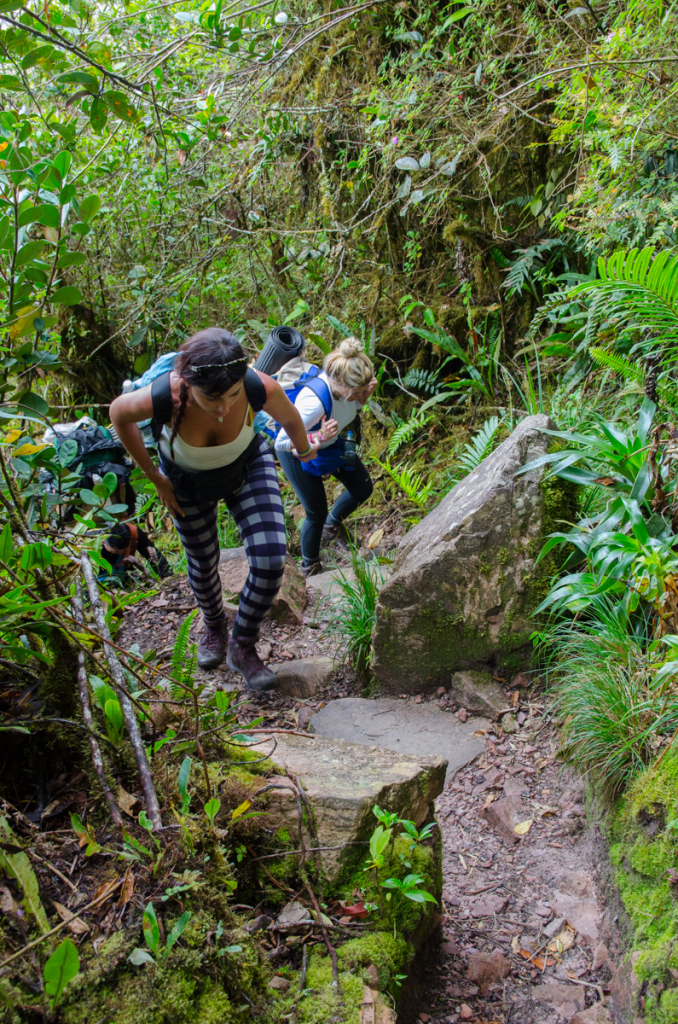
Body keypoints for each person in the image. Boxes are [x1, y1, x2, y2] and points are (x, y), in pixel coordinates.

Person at [109, 328, 318, 689]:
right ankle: (215, 624)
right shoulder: (164, 396)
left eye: (233, 395)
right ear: (188, 384)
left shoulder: (258, 386)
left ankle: (242, 644)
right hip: (185, 483)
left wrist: (305, 450)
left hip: (247, 467)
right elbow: (118, 414)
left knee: (270, 560)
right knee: (203, 565)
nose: (223, 409)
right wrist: (154, 476)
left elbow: (290, 418)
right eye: (212, 398)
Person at [275, 338, 377, 576]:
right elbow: (280, 442)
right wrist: (318, 435)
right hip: (301, 450)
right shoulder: (313, 403)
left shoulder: (349, 388)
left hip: (336, 440)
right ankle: (310, 566)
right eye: (359, 391)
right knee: (315, 511)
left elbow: (350, 410)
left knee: (363, 487)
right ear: (343, 386)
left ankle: (332, 526)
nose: (364, 394)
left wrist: (363, 398)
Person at [99, 523, 171, 583]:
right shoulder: (90, 543)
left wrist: (168, 577)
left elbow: (157, 560)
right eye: (113, 552)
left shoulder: (134, 533)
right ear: (103, 542)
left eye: (125, 550)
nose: (121, 554)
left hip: (126, 572)